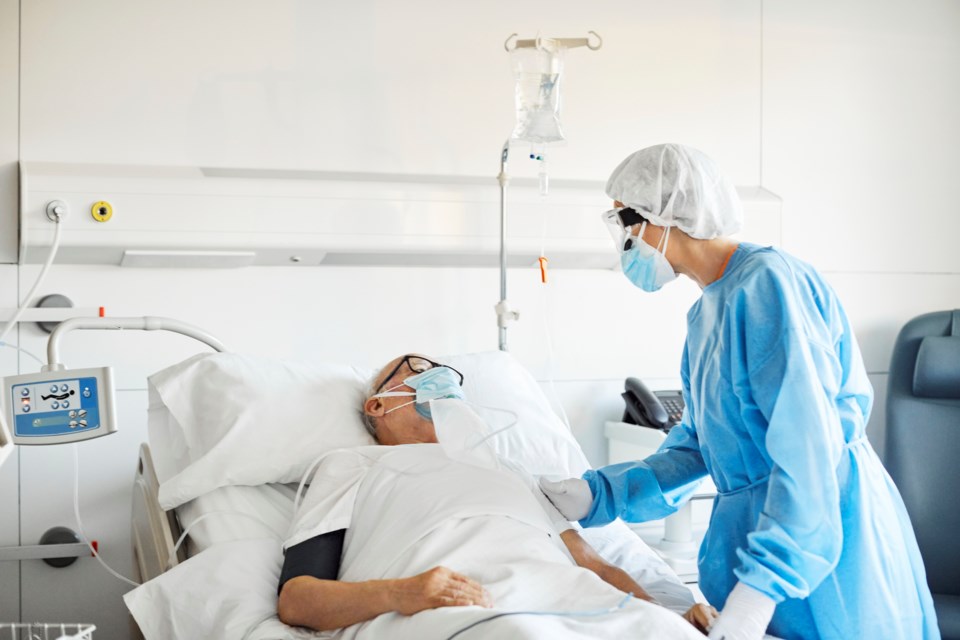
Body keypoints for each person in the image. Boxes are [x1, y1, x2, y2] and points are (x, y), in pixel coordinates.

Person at [540, 143, 940, 640]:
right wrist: (599, 493)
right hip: (770, 554)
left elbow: (809, 453)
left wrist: (761, 592)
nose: (626, 240)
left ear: (666, 217)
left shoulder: (769, 286)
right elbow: (700, 443)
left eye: (627, 220)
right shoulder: (706, 313)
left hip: (828, 552)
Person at [277, 353, 717, 635]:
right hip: (469, 609)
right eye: (419, 370)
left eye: (449, 377)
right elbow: (298, 600)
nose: (443, 378)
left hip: (583, 601)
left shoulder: (511, 470)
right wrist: (402, 593)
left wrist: (666, 615)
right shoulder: (352, 465)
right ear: (377, 405)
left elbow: (594, 564)